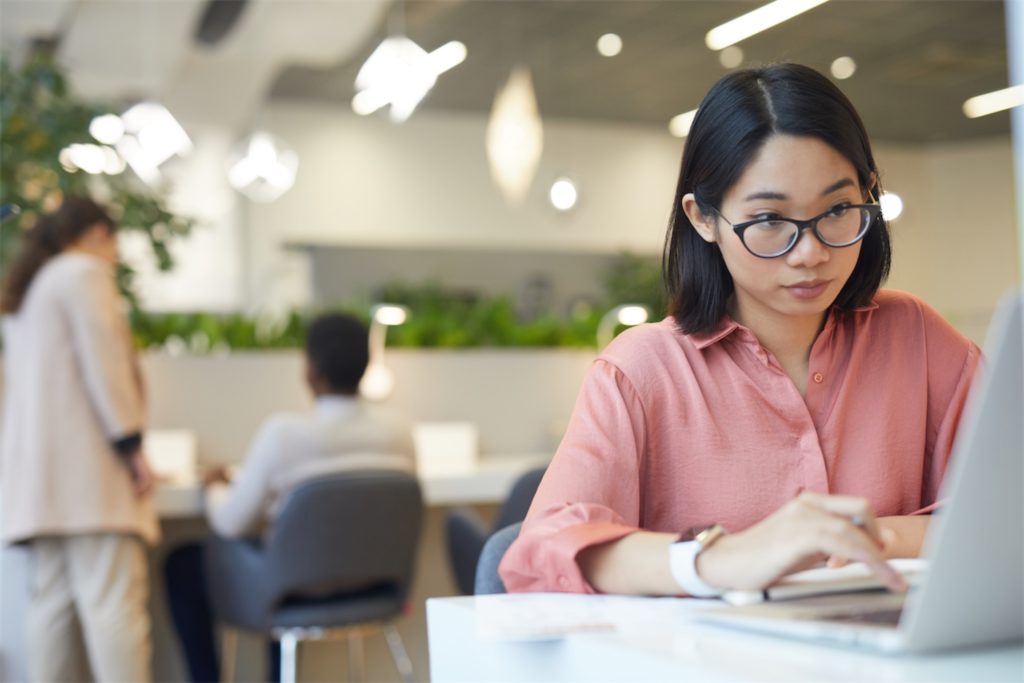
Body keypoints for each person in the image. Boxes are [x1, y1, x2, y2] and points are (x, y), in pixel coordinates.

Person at [499, 63, 981, 598]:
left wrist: (874, 536)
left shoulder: (915, 337)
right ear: (703, 218)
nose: (812, 253)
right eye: (770, 220)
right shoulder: (642, 370)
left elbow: (1005, 512)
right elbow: (545, 549)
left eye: (839, 209)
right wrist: (720, 559)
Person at [164, 312, 415, 683]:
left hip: (290, 589)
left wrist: (214, 487)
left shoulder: (284, 435)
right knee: (278, 550)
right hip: (375, 587)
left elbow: (231, 524)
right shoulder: (400, 434)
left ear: (310, 370)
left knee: (183, 563)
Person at [0, 197, 158, 682]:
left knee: (51, 606)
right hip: (89, 474)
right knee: (113, 606)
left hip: (39, 480)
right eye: (113, 242)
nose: (112, 254)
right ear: (95, 233)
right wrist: (131, 445)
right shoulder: (83, 274)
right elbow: (104, 365)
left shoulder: (31, 288)